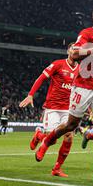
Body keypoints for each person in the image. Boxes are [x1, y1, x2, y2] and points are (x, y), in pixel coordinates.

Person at [35, 5, 93, 183]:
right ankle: (46, 141)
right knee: (70, 125)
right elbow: (75, 54)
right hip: (84, 85)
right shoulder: (87, 33)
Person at [19, 43, 79, 177]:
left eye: (78, 49)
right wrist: (30, 95)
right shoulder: (58, 64)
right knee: (52, 139)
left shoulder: (81, 70)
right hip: (53, 107)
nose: (76, 50)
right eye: (73, 48)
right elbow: (41, 78)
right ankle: (39, 135)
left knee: (69, 136)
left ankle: (57, 168)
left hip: (69, 109)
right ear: (68, 51)